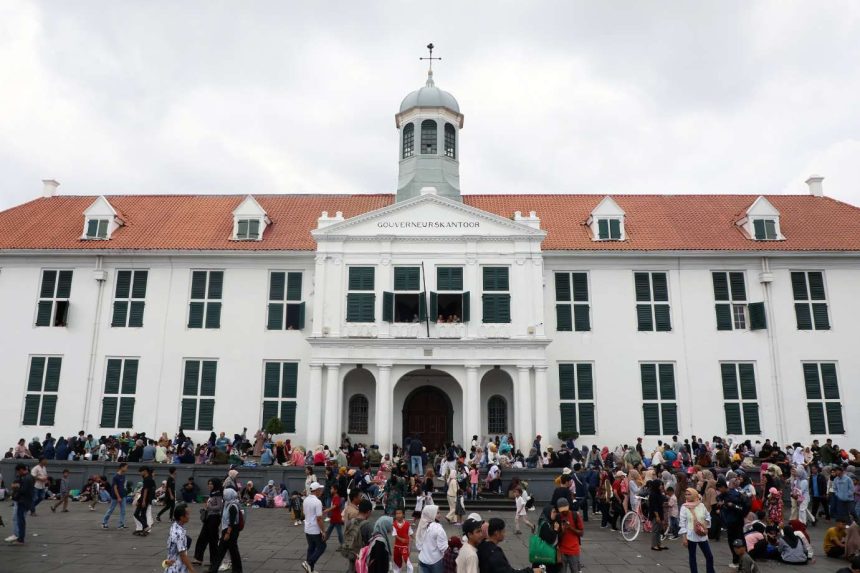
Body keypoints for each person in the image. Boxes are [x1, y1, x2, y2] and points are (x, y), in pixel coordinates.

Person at [477, 517, 541, 573]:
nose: (505, 534)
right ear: (497, 533)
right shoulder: (494, 553)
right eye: (503, 531)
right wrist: (531, 571)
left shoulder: (483, 546)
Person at [679, 488, 715, 573]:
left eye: (689, 494)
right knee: (692, 557)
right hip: (691, 534)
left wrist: (705, 524)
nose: (687, 496)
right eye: (686, 494)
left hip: (702, 534)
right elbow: (682, 523)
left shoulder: (701, 505)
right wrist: (684, 537)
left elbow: (708, 516)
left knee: (709, 556)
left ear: (695, 495)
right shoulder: (684, 507)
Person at [193, 478, 224, 569]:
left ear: (215, 485)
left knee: (213, 540)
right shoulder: (212, 493)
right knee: (202, 537)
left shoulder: (218, 494)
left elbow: (220, 506)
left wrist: (209, 506)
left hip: (214, 518)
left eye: (211, 484)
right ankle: (198, 559)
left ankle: (214, 561)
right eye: (209, 483)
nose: (209, 485)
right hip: (209, 518)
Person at [211, 488, 242, 573]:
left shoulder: (233, 506)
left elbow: (232, 522)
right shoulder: (227, 504)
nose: (224, 496)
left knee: (232, 551)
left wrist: (228, 533)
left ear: (230, 495)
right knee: (222, 551)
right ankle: (213, 569)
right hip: (226, 530)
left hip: (231, 531)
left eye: (225, 495)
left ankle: (237, 570)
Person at [340, 499, 374, 572]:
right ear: (369, 512)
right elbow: (371, 544)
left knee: (352, 567)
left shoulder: (350, 521)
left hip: (350, 551)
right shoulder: (368, 526)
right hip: (361, 555)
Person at [302, 481, 327, 572]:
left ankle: (310, 570)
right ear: (316, 490)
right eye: (320, 489)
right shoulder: (317, 502)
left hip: (307, 528)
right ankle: (308, 563)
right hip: (315, 529)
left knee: (311, 548)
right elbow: (319, 519)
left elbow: (304, 513)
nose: (321, 491)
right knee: (322, 546)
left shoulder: (305, 500)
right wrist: (323, 531)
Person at [165, 503, 196, 573]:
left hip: (171, 565)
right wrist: (192, 569)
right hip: (177, 568)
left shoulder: (174, 525)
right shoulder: (179, 533)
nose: (189, 516)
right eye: (187, 514)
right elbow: (183, 555)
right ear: (181, 517)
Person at [416, 504, 448, 572]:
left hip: (422, 559)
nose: (440, 515)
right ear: (431, 514)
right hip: (436, 561)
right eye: (437, 513)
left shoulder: (422, 525)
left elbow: (418, 542)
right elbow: (443, 547)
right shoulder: (438, 529)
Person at [556, 498, 584, 573]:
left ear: (568, 507)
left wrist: (570, 528)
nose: (564, 512)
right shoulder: (558, 517)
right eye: (562, 511)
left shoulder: (575, 515)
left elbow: (581, 533)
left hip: (573, 550)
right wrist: (562, 530)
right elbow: (557, 535)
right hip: (562, 550)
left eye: (565, 510)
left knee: (575, 570)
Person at [9, 463, 34, 545]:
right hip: (27, 501)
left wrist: (17, 488)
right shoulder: (29, 477)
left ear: (21, 470)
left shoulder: (26, 478)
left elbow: (23, 490)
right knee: (21, 519)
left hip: (23, 501)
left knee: (20, 520)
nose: (17, 473)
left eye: (18, 471)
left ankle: (21, 539)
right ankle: (20, 538)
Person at [103, 462, 128, 529]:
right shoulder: (116, 477)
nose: (126, 469)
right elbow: (115, 487)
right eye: (126, 467)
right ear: (122, 467)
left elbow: (123, 486)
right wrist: (118, 497)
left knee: (123, 510)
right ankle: (104, 522)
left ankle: (121, 524)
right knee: (111, 509)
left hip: (123, 495)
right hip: (115, 496)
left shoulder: (123, 476)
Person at [134, 466, 156, 536]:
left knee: (136, 514)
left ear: (145, 471)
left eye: (141, 471)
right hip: (146, 499)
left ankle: (146, 526)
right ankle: (144, 530)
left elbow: (146, 490)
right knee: (143, 514)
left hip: (144, 499)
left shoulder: (147, 479)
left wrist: (143, 501)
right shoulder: (148, 478)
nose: (140, 473)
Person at [392, 507, 414, 573]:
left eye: (400, 513)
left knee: (407, 562)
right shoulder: (394, 524)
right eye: (397, 513)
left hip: (405, 546)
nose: (398, 515)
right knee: (397, 562)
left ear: (403, 514)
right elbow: (395, 535)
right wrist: (401, 539)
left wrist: (415, 539)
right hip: (397, 546)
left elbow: (411, 533)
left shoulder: (407, 524)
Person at [648, 479, 667, 551]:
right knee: (655, 530)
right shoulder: (653, 494)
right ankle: (654, 545)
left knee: (659, 529)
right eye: (660, 485)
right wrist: (657, 516)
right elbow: (654, 506)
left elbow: (662, 501)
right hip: (655, 514)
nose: (661, 486)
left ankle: (659, 544)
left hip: (660, 512)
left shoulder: (659, 493)